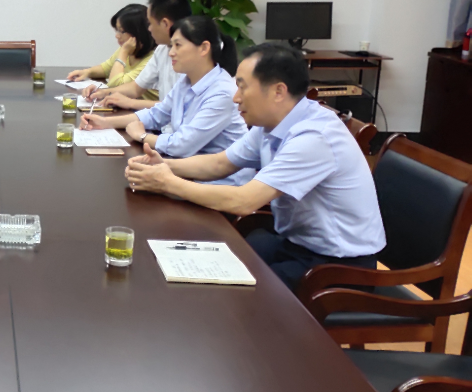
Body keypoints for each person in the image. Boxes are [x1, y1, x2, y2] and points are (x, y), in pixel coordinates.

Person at [123, 43, 385, 290]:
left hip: (339, 266)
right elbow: (220, 163)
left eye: (242, 87)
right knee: (222, 257)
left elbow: (244, 201)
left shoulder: (314, 137)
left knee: (242, 293)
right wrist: (164, 166)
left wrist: (168, 183)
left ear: (278, 91)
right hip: (297, 245)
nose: (236, 98)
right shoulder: (272, 123)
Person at [81, 16, 249, 183]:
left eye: (178, 45)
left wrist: (142, 136)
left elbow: (183, 145)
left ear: (204, 48)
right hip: (186, 173)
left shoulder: (222, 92)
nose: (171, 53)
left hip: (221, 184)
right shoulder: (186, 81)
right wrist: (105, 123)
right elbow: (157, 114)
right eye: (171, 45)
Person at [85, 0, 193, 110]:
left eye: (150, 23)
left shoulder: (192, 56)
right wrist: (104, 92)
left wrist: (130, 103)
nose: (149, 29)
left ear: (165, 24)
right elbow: (135, 88)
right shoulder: (162, 50)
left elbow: (176, 106)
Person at [65, 4, 157, 95]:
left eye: (122, 31)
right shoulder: (129, 49)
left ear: (139, 33)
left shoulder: (153, 59)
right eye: (117, 30)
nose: (117, 36)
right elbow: (106, 68)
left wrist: (123, 52)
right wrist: (87, 72)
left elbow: (115, 86)